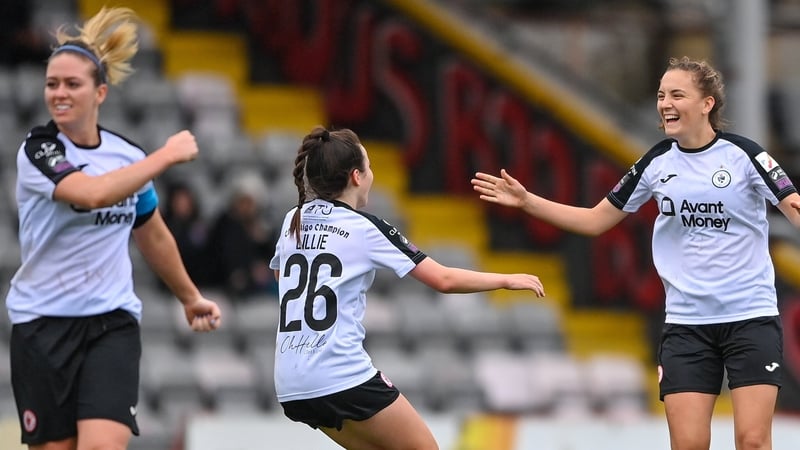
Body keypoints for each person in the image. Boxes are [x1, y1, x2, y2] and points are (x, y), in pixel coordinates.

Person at [472, 56, 800, 450]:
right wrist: (528, 202)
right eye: (661, 95)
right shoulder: (656, 162)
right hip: (687, 325)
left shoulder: (745, 155)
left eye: (677, 94)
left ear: (707, 103)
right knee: (689, 445)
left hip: (750, 318)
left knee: (752, 442)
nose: (665, 104)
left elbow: (792, 205)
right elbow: (594, 221)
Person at [5, 7, 222, 450]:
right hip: (42, 327)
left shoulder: (126, 156)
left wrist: (189, 296)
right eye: (52, 84)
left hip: (111, 325)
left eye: (72, 84)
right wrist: (165, 156)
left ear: (100, 91)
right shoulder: (39, 151)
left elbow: (152, 231)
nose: (59, 93)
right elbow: (91, 195)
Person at [269, 126, 545, 450]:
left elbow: (281, 279)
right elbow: (443, 280)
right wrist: (505, 279)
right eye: (369, 167)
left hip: (291, 383)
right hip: (338, 373)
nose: (372, 174)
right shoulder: (364, 227)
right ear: (357, 177)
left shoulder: (293, 220)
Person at [207, 170, 277, 299]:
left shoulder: (264, 225)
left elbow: (272, 256)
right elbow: (224, 259)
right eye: (242, 202)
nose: (245, 207)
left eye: (249, 202)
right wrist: (250, 272)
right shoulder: (225, 225)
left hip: (261, 285)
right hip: (227, 287)